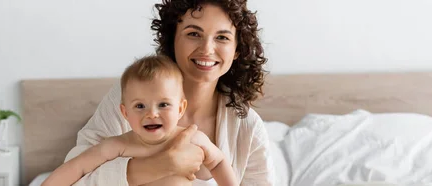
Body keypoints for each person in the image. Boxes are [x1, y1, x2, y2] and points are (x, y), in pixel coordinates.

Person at [64, 0, 274, 185]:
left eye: (222, 37)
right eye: (193, 34)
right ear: (173, 39)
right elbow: (74, 178)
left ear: (237, 49)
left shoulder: (248, 127)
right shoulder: (130, 98)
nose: (207, 49)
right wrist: (156, 167)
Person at [43, 55, 238, 186]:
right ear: (125, 113)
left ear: (180, 109)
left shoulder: (193, 139)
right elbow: (77, 167)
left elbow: (219, 162)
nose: (152, 114)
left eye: (163, 105)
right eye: (139, 106)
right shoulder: (118, 145)